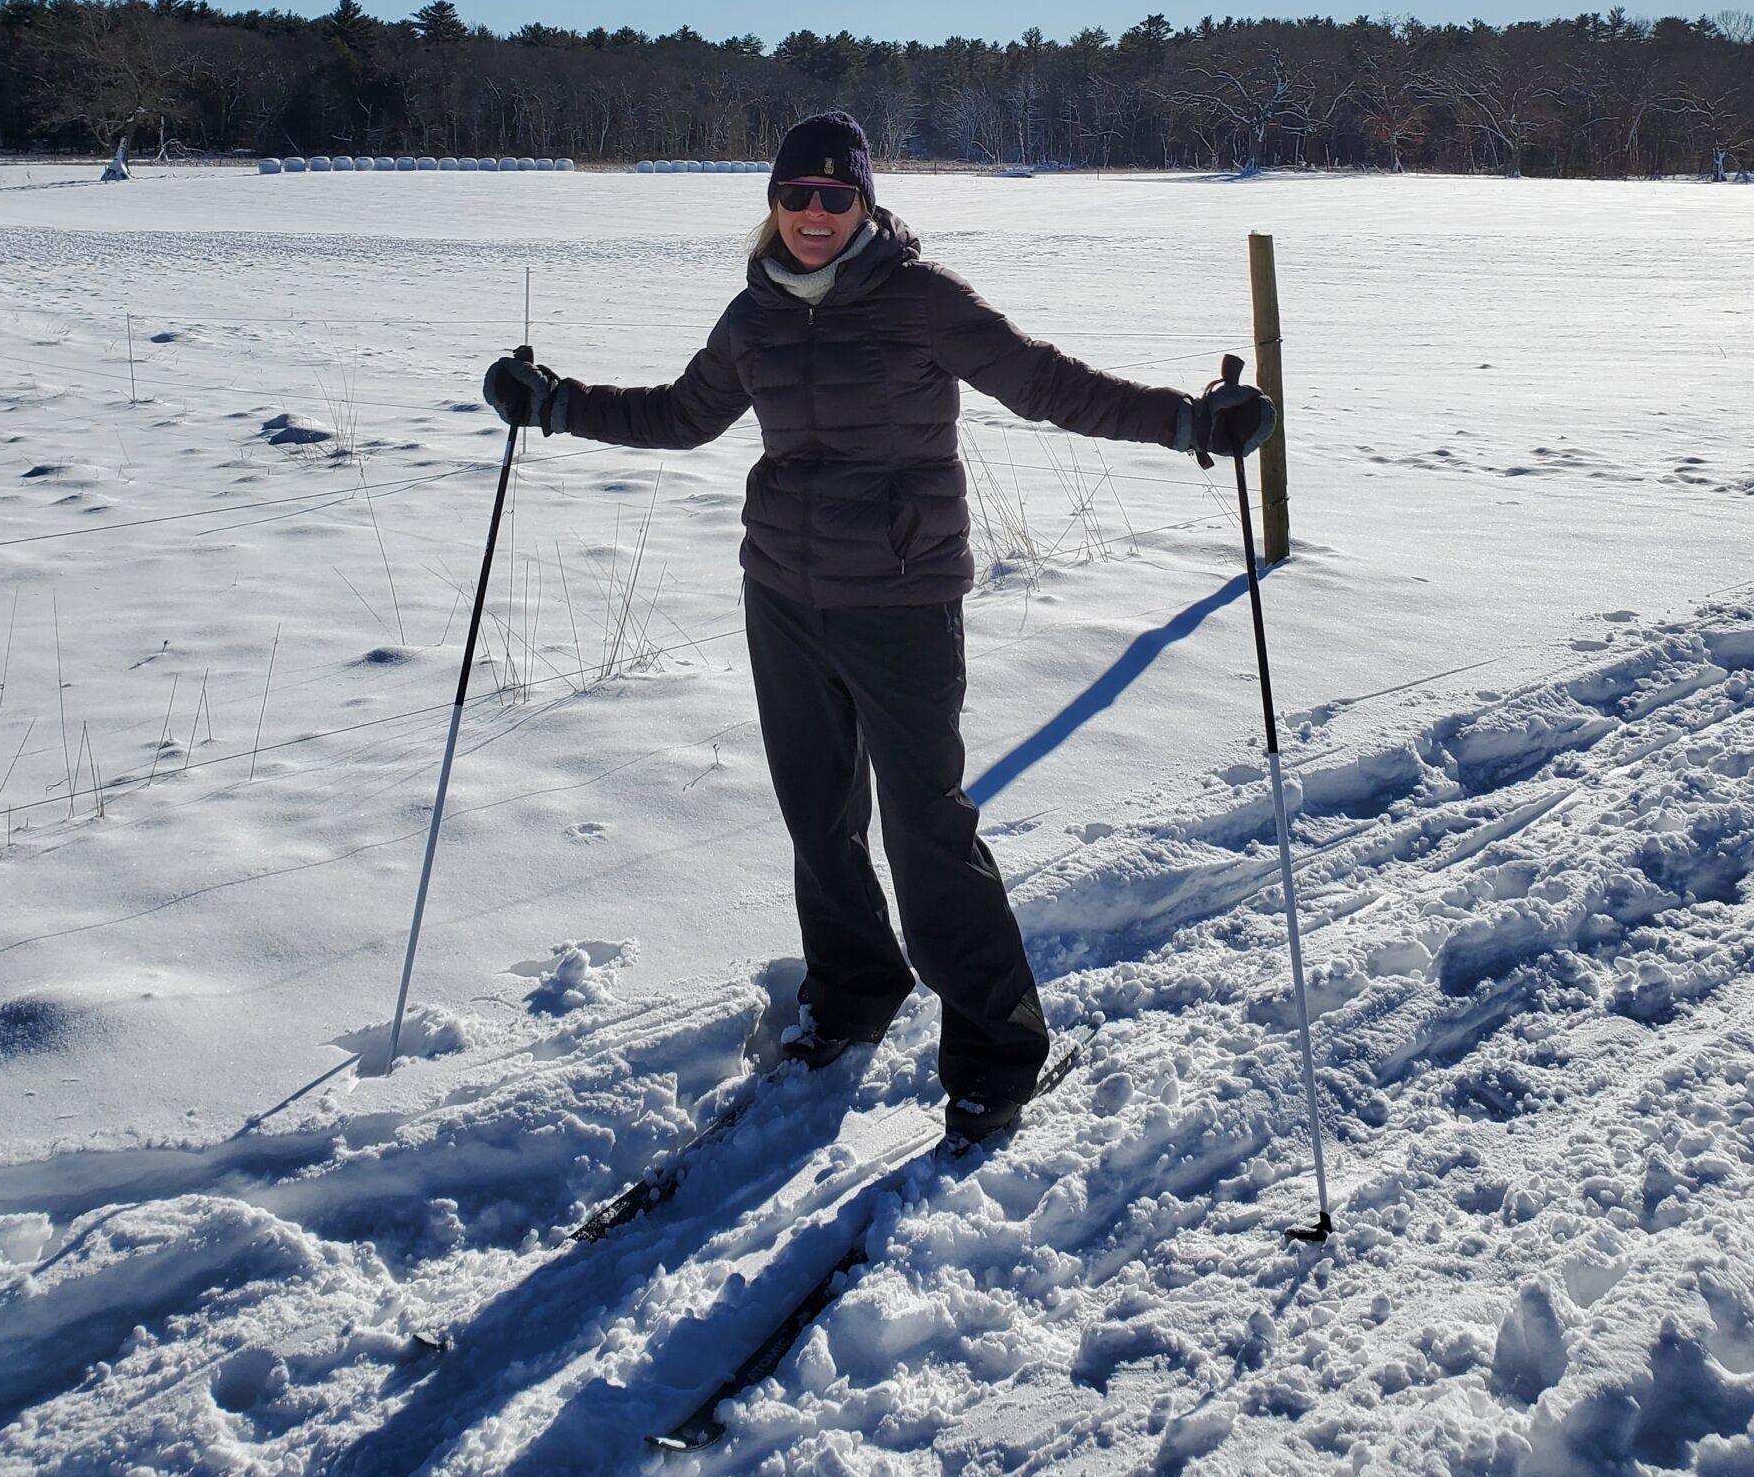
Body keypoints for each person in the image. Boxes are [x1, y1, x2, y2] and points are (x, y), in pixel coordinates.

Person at [484, 112, 1274, 1142]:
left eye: (834, 196)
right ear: (772, 205)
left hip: (901, 599)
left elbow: (1046, 384)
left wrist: (1187, 421)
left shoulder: (920, 299)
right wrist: (554, 405)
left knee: (926, 827)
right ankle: (854, 989)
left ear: (865, 202)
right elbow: (680, 415)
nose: (814, 215)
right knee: (818, 814)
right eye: (796, 196)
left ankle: (999, 1049)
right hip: (781, 592)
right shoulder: (754, 313)